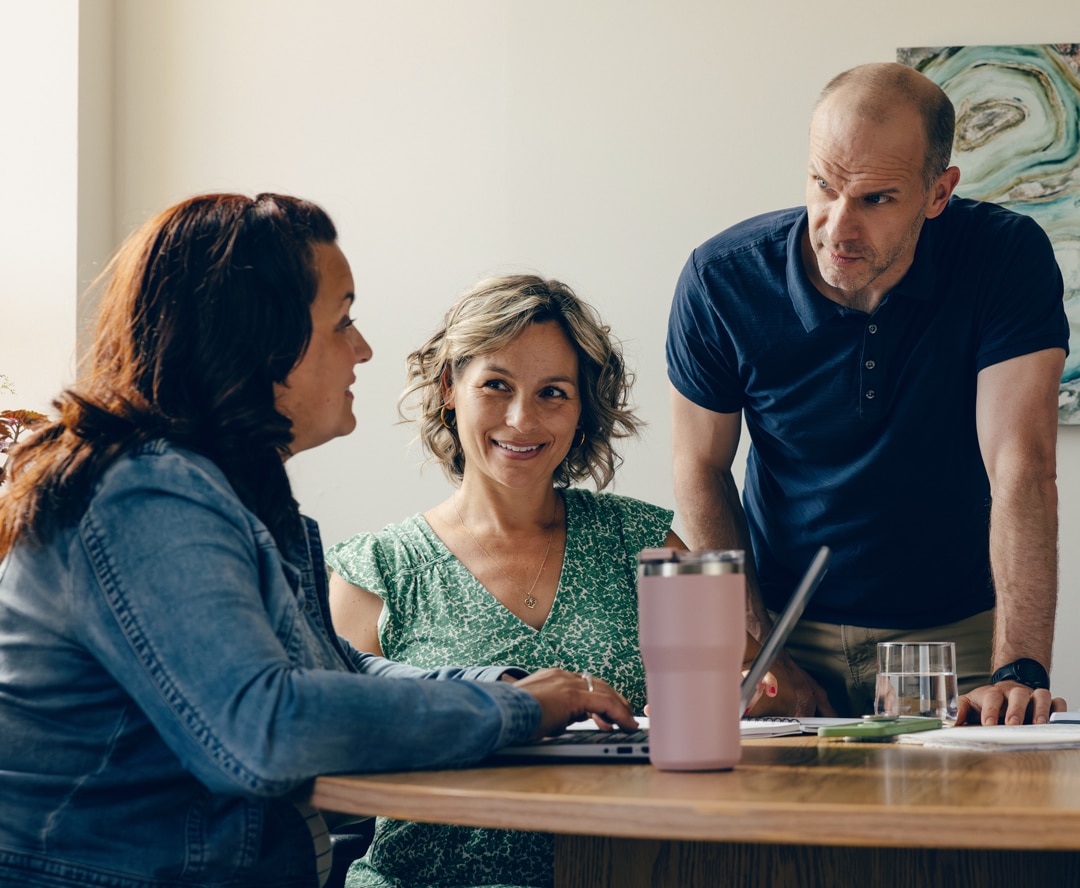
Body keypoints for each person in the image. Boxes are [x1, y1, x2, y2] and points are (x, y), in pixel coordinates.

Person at [0, 195, 638, 888]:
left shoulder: (228, 494)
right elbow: (269, 727)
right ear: (259, 339)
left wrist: (509, 687)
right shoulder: (144, 497)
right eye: (342, 321)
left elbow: (334, 671)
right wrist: (515, 709)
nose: (363, 348)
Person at [328, 274, 783, 888]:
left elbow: (754, 680)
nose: (522, 419)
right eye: (495, 385)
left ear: (581, 411)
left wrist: (744, 694)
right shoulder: (374, 572)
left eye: (553, 393)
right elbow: (333, 747)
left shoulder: (641, 543)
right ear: (448, 391)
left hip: (624, 871)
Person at [666, 61, 1070, 727]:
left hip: (956, 635)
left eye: (876, 199)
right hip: (784, 626)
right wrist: (757, 649)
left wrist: (1019, 665)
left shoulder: (1003, 258)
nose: (837, 228)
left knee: (951, 828)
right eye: (824, 186)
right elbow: (699, 469)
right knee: (763, 830)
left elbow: (1021, 464)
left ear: (938, 193)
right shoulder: (721, 280)